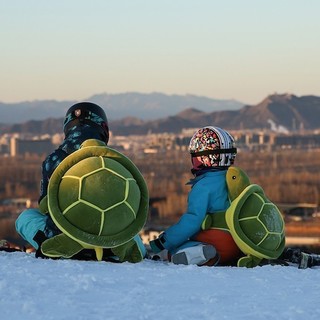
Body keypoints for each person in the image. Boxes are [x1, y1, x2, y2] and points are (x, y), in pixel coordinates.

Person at [15, 102, 146, 260]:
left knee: (26, 217)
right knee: (134, 237)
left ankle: (51, 245)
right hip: (110, 243)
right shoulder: (114, 159)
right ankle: (115, 250)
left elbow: (45, 206)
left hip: (65, 238)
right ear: (103, 129)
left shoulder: (54, 160)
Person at [149, 126, 243, 266]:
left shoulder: (203, 186)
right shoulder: (236, 180)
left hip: (217, 241)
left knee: (175, 250)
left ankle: (201, 253)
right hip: (240, 243)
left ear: (202, 158)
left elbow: (192, 221)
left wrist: (165, 241)